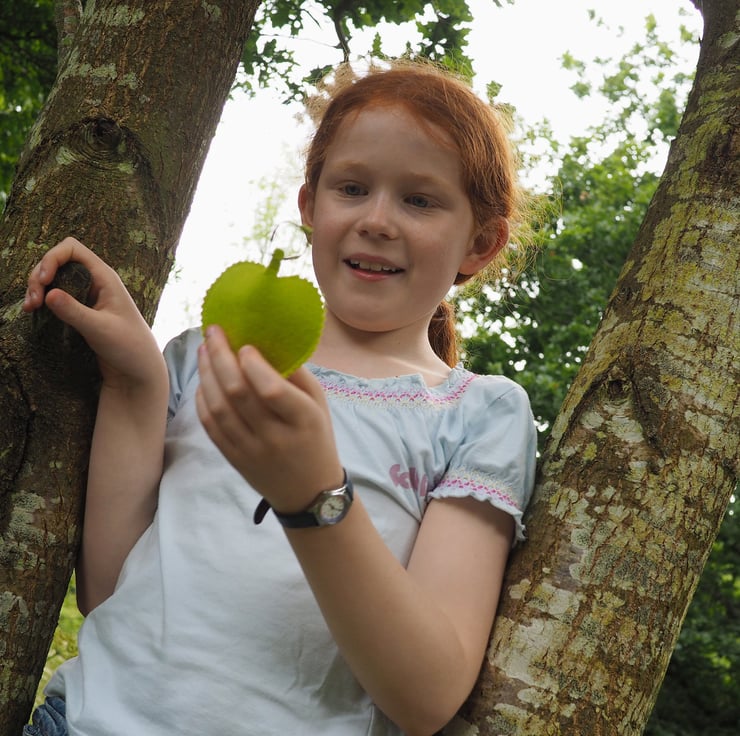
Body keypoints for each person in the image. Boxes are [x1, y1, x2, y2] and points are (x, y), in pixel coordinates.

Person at [23, 60, 537, 736]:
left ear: (482, 242)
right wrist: (135, 381)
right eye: (352, 188)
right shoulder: (208, 358)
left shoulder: (478, 414)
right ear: (310, 206)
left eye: (419, 200)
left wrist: (313, 499)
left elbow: (427, 695)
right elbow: (110, 590)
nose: (377, 219)